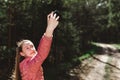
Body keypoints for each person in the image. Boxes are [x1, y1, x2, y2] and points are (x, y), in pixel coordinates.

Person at [15, 11, 59, 80]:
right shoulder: (28, 66)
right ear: (22, 53)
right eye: (27, 48)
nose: (31, 49)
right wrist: (49, 29)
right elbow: (41, 54)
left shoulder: (26, 66)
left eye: (32, 46)